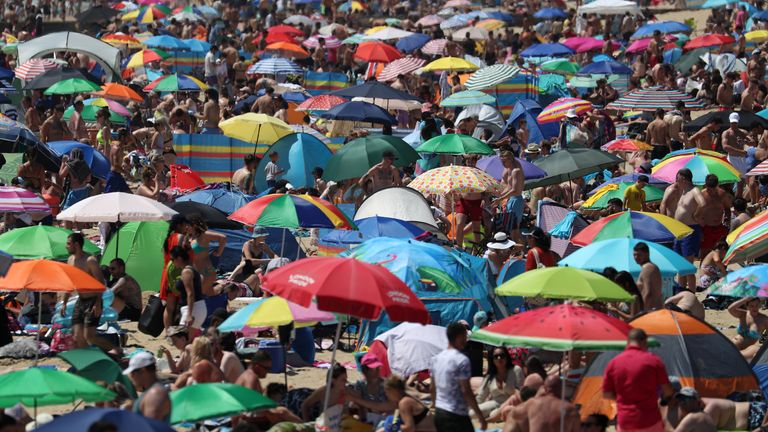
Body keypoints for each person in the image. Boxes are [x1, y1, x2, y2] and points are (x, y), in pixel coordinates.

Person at [603, 329, 674, 432]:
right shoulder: (654, 361)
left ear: (628, 342)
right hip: (649, 420)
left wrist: (623, 398)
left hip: (625, 421)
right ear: (644, 342)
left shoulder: (614, 363)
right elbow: (668, 390)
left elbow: (607, 394)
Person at [62, 233, 119, 353]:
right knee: (77, 336)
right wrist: (64, 302)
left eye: (68, 244)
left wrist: (98, 303)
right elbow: (70, 283)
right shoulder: (70, 260)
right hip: (81, 300)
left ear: (76, 245)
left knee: (90, 336)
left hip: (93, 300)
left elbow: (101, 283)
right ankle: (88, 360)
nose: (66, 246)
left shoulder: (90, 261)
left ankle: (115, 349)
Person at [430, 322, 487, 432]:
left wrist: (437, 408)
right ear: (459, 337)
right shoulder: (462, 360)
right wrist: (480, 416)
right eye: (465, 336)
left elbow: (432, 388)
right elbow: (466, 391)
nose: (467, 339)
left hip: (440, 414)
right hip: (457, 414)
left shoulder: (435, 359)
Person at [661, 169, 705, 290]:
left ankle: (690, 292)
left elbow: (703, 203)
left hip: (690, 230)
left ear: (684, 179)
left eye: (677, 178)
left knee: (688, 266)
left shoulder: (694, 190)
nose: (676, 181)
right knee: (680, 265)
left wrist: (696, 216)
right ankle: (681, 289)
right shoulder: (683, 192)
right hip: (679, 231)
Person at [505, 375, 580, 432]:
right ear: (562, 390)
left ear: (544, 388)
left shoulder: (532, 403)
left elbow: (513, 414)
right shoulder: (570, 409)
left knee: (513, 418)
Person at [475, 347, 524, 423]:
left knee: (493, 414)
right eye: (496, 356)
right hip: (495, 402)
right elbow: (481, 396)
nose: (499, 358)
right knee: (472, 413)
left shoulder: (516, 370)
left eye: (502, 355)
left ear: (506, 357)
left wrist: (511, 388)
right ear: (492, 360)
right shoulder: (490, 376)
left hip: (511, 404)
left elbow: (521, 393)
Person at [346, 353, 395, 424]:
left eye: (378, 367)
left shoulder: (386, 385)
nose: (377, 370)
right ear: (364, 370)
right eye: (373, 368)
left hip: (385, 422)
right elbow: (355, 405)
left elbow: (392, 406)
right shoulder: (360, 385)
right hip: (366, 423)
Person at [123, 352, 171, 422]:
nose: (131, 376)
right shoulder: (152, 391)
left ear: (143, 370)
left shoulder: (154, 394)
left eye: (132, 373)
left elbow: (151, 427)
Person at [166, 246, 206, 331]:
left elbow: (190, 294)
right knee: (186, 340)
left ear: (179, 258)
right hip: (198, 307)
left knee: (181, 338)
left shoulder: (186, 272)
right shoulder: (192, 268)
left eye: (172, 259)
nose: (172, 262)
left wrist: (189, 314)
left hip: (192, 309)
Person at [187, 215, 227, 295]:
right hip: (196, 271)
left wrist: (219, 252)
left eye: (188, 226)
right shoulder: (189, 238)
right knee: (203, 294)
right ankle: (221, 289)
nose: (186, 228)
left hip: (206, 270)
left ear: (194, 225)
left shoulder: (203, 235)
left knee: (203, 294)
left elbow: (223, 237)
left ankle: (221, 288)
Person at [493, 151, 525, 243]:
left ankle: (521, 250)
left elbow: (515, 190)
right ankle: (519, 250)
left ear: (510, 159)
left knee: (514, 230)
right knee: (511, 230)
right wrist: (500, 195)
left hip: (516, 200)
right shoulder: (511, 170)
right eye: (501, 162)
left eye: (504, 161)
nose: (503, 164)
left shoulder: (516, 171)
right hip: (512, 200)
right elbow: (509, 187)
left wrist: (501, 198)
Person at [698, 174, 731, 257]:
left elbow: (727, 208)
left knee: (721, 252)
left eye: (714, 189)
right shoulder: (701, 195)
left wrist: (727, 220)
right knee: (705, 254)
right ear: (705, 185)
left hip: (720, 227)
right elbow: (696, 213)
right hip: (706, 228)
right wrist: (699, 229)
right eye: (709, 189)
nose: (712, 192)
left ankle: (719, 269)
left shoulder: (722, 194)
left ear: (717, 185)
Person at [633, 242, 663, 311]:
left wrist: (642, 312)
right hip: (654, 309)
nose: (636, 257)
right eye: (634, 255)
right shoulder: (650, 267)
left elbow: (648, 293)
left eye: (639, 255)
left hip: (651, 310)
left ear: (647, 254)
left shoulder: (648, 268)